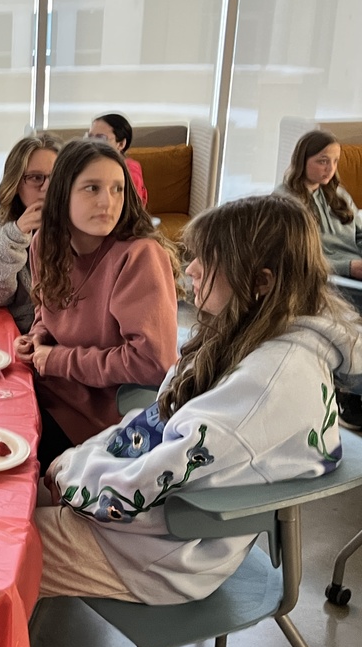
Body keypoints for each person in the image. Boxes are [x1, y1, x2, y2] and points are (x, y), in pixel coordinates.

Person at [35, 195, 362, 604]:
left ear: (261, 281)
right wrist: (78, 460)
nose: (191, 269)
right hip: (149, 528)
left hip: (161, 555)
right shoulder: (253, 332)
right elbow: (157, 422)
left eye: (207, 260)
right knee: (8, 503)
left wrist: (71, 476)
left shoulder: (269, 383)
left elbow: (148, 481)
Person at [16, 139, 181, 469]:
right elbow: (46, 310)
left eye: (118, 189)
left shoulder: (139, 256)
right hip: (50, 392)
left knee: (13, 470)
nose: (107, 202)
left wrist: (58, 360)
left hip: (107, 420)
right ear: (63, 193)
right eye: (92, 188)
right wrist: (38, 337)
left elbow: (153, 363)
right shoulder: (44, 243)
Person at [275, 130, 362, 429]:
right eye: (322, 161)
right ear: (303, 160)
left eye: (335, 161)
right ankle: (351, 393)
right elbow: (296, 258)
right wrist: (347, 266)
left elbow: (359, 232)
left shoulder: (337, 194)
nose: (330, 168)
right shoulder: (286, 202)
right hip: (324, 277)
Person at [0, 133, 63, 333]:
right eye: (36, 178)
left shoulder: (81, 226)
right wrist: (15, 235)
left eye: (55, 177)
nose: (46, 187)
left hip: (65, 340)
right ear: (17, 183)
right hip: (18, 334)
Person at [88, 113, 148, 205]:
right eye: (90, 137)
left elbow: (133, 211)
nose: (92, 143)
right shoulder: (87, 164)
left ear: (121, 144)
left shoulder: (130, 171)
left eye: (101, 138)